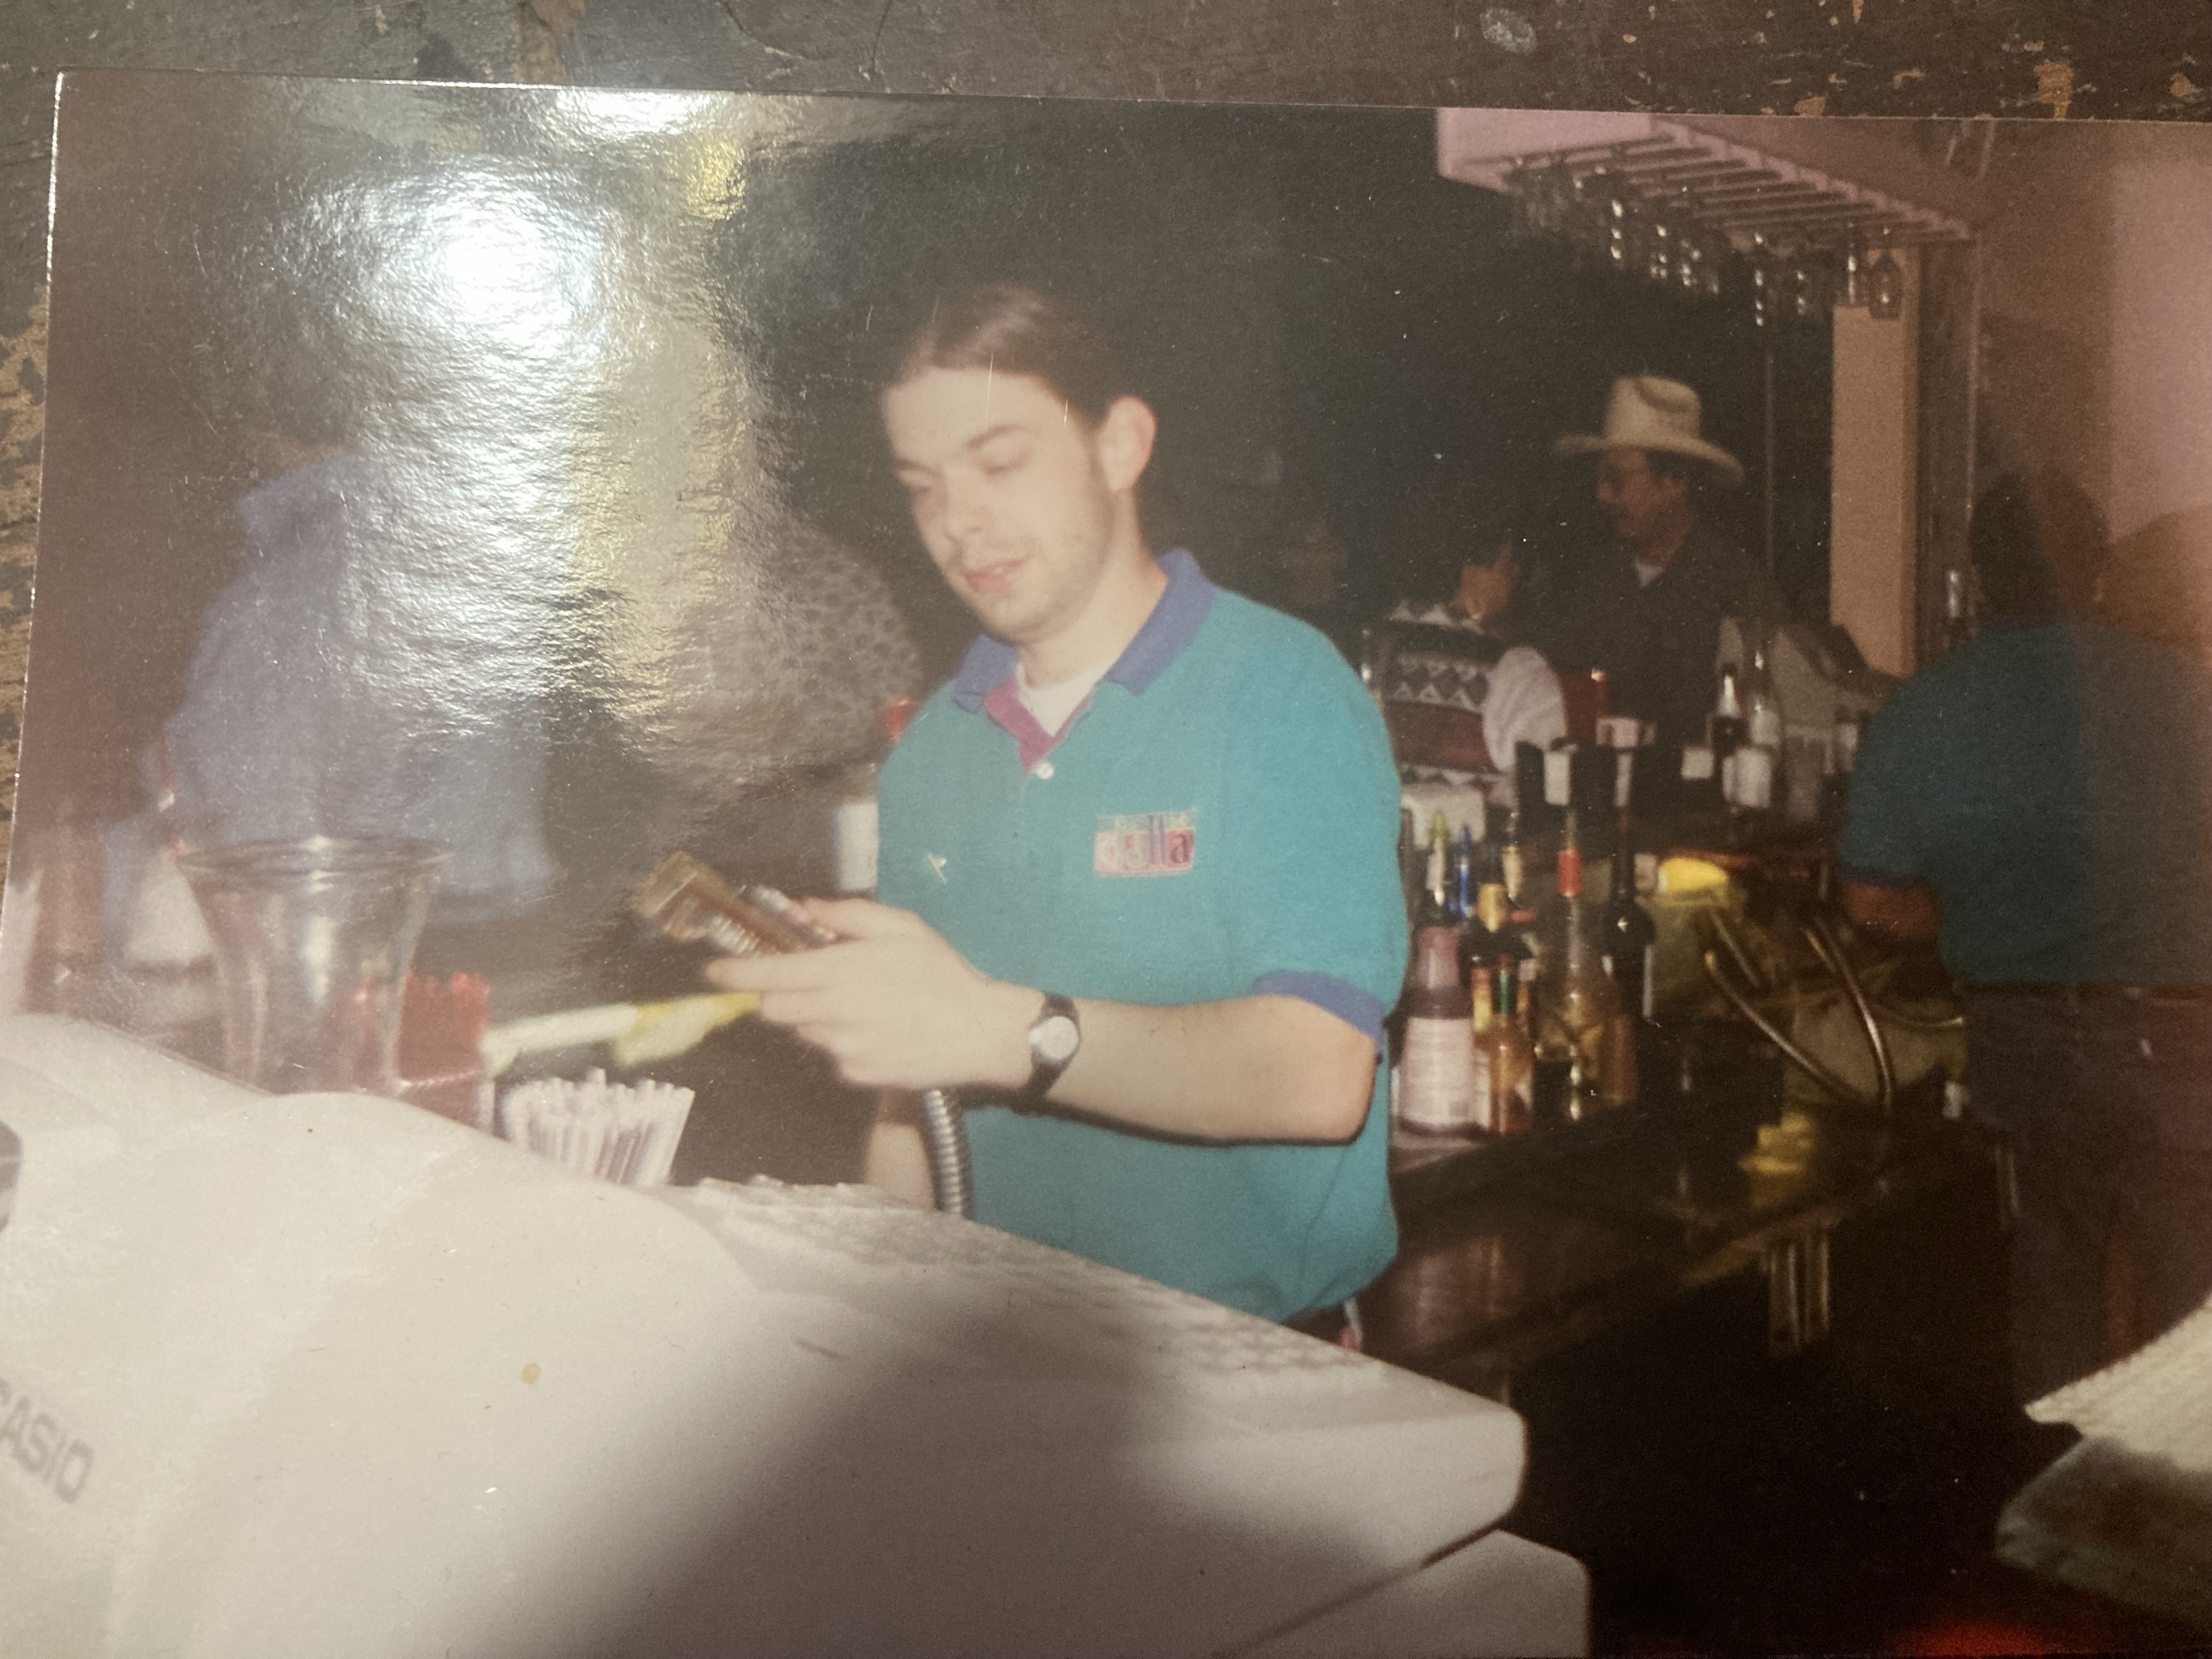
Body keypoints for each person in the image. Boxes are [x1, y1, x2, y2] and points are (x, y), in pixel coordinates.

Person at [707, 285, 1407, 1328]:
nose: (958, 522)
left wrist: (1002, 1031)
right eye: (923, 487)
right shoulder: (932, 751)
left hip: (1245, 1354)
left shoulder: (1278, 690)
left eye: (1000, 464)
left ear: (1120, 445)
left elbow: (1318, 1074)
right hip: (998, 1343)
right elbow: (913, 1100)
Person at [1838, 472, 2212, 1404]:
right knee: (2186, 1294)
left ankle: (2059, 1486)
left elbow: (1869, 903)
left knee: (2055, 1272)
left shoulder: (1923, 708)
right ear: (2097, 576)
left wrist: (1963, 911)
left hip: (2027, 1035)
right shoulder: (2189, 690)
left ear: (1978, 581)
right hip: (2182, 1030)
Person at [1548, 375, 1783, 751]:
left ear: (1674, 481)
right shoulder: (1594, 581)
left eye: (1616, 479)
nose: (1603, 494)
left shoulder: (1738, 589)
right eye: (1601, 478)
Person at [1374, 473, 1565, 805]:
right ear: (1471, 574)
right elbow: (1554, 797)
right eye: (1509, 563)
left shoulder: (1363, 653)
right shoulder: (1516, 674)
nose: (1517, 575)